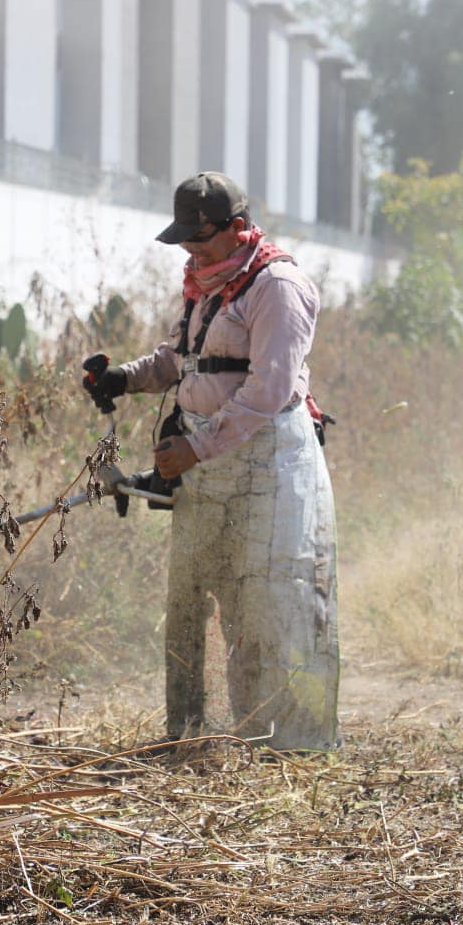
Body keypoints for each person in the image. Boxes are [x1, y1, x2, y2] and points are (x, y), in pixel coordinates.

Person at [82, 171, 340, 753]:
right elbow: (183, 359)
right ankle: (191, 733)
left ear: (240, 228)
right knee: (195, 597)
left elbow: (269, 389)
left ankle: (287, 744)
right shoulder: (207, 284)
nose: (191, 252)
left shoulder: (277, 286)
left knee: (269, 603)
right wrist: (124, 378)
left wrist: (194, 448)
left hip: (269, 466)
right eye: (185, 241)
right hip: (208, 466)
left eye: (201, 239)